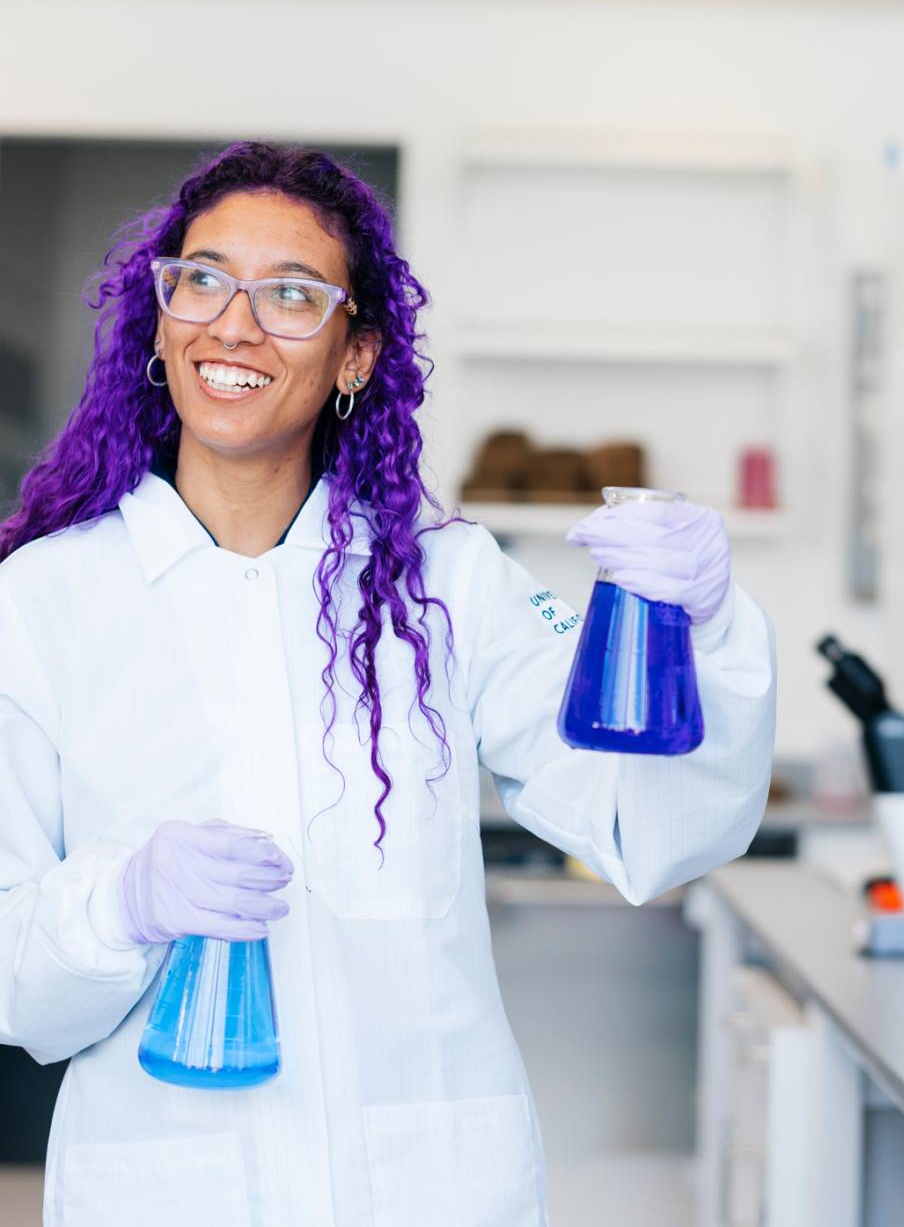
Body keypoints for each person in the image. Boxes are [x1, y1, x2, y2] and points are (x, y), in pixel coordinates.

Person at [0, 142, 776, 1226]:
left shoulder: (444, 577)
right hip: (170, 1185)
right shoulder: (41, 604)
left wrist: (702, 630)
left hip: (431, 1183)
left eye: (292, 295)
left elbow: (644, 829)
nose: (235, 323)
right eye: (204, 279)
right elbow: (13, 974)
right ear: (162, 318)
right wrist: (118, 904)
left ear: (355, 354)